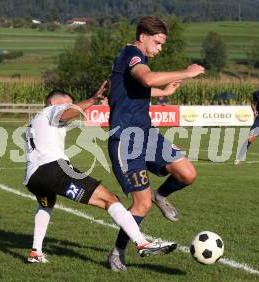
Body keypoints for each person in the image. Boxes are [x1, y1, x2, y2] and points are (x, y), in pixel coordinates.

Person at [23, 81, 177, 264]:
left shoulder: (34, 121)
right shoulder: (51, 111)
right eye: (67, 103)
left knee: (46, 204)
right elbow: (65, 113)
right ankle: (142, 243)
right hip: (53, 169)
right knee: (110, 200)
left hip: (33, 177)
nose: (70, 107)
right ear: (53, 102)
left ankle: (36, 252)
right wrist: (94, 99)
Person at [107, 16, 205, 271]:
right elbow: (147, 79)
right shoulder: (131, 54)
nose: (160, 49)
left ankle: (161, 195)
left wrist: (165, 93)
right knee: (141, 204)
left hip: (147, 135)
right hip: (125, 140)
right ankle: (118, 252)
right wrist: (188, 72)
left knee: (187, 174)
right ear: (143, 37)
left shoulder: (139, 60)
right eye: (158, 43)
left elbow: (137, 89)